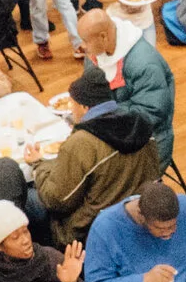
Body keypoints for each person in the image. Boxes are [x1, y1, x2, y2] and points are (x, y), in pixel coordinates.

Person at [34, 71, 161, 242]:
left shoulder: (81, 144)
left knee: (32, 204)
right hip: (142, 216)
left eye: (73, 106)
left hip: (91, 232)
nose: (71, 111)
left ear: (85, 107)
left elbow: (57, 200)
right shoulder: (140, 124)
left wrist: (39, 165)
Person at [75, 9, 178, 167]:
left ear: (103, 36)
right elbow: (92, 91)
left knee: (102, 180)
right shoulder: (96, 53)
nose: (82, 46)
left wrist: (102, 116)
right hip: (114, 132)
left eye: (85, 41)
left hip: (149, 142)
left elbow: (151, 112)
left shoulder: (144, 63)